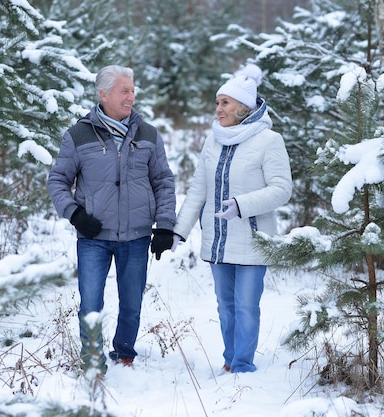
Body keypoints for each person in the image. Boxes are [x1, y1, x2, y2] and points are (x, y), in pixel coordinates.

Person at [47, 65, 176, 370]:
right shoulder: (78, 134)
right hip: (93, 238)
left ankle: (125, 353)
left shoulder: (147, 134)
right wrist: (76, 214)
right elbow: (57, 181)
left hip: (136, 235)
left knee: (131, 304)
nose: (131, 97)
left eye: (133, 91)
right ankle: (92, 359)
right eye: (124, 91)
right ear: (103, 94)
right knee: (91, 303)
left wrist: (165, 226)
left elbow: (163, 181)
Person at [172, 63, 292, 373]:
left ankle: (242, 365)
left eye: (225, 102)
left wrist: (242, 205)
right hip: (218, 240)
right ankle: (229, 361)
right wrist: (177, 231)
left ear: (243, 106)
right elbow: (198, 189)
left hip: (253, 240)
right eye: (217, 103)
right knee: (226, 308)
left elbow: (282, 190)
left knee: (246, 307)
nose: (218, 109)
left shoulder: (269, 141)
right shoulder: (213, 141)